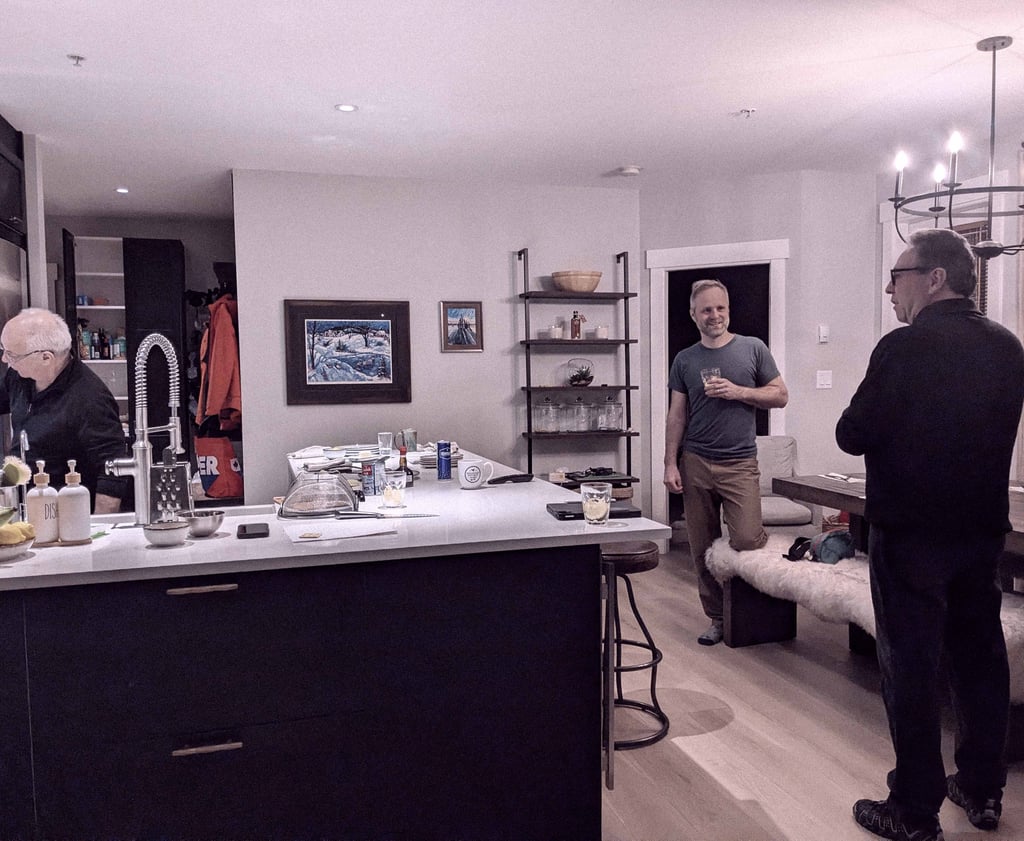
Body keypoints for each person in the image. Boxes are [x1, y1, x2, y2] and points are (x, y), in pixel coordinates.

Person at [837, 228, 1024, 841]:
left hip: (911, 534)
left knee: (911, 667)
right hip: (981, 532)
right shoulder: (1008, 347)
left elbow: (851, 433)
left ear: (935, 277)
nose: (892, 288)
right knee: (980, 659)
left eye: (898, 275)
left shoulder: (902, 348)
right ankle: (981, 788)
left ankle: (913, 811)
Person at [663, 279, 788, 645]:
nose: (714, 315)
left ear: (728, 310)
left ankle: (753, 609)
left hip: (740, 463)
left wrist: (740, 392)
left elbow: (780, 395)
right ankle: (718, 618)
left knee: (747, 539)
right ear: (693, 315)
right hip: (696, 461)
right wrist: (670, 463)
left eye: (720, 308)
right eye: (706, 309)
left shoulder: (753, 349)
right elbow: (676, 416)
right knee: (701, 547)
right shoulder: (685, 359)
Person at [0, 308, 128, 513]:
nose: (5, 359)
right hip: (24, 503)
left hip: (66, 513)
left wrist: (99, 531)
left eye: (12, 354)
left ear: (45, 358)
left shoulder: (90, 398)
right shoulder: (20, 377)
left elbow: (112, 472)